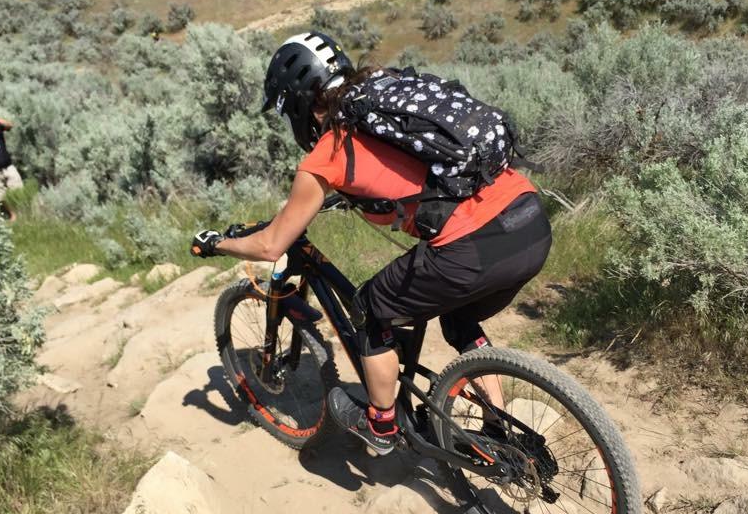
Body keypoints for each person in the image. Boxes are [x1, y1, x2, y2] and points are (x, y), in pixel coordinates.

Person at [191, 32, 552, 456]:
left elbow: (272, 246)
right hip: (529, 222)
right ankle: (496, 430)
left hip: (471, 247)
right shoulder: (385, 98)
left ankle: (381, 427)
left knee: (372, 310)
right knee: (458, 320)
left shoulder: (328, 151)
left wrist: (218, 244)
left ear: (301, 103)